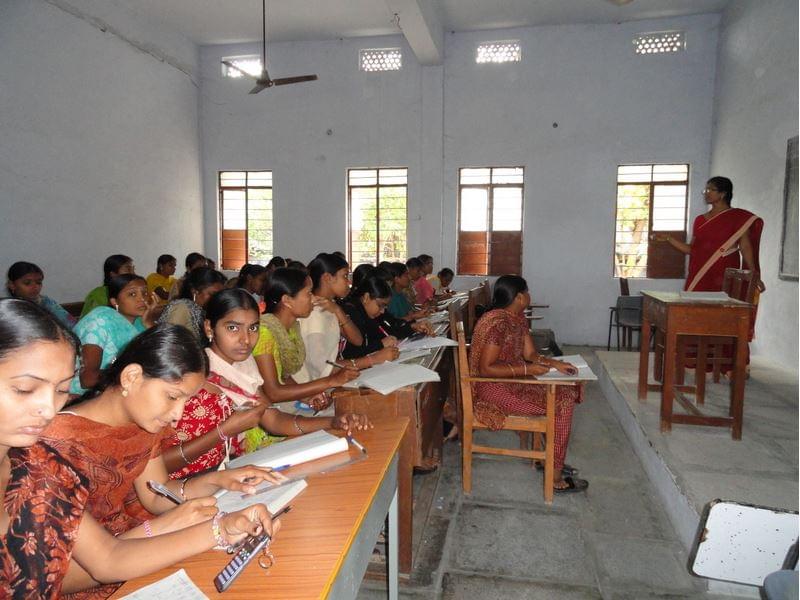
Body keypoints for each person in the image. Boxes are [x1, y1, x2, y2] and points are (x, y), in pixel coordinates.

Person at [0, 298, 278, 599]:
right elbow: (77, 570)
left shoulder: (40, 465)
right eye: (25, 389)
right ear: (131, 377)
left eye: (61, 390)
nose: (47, 409)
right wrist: (172, 528)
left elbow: (112, 551)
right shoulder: (52, 447)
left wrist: (221, 505)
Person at [164, 289, 372, 476]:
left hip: (225, 474)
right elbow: (159, 464)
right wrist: (224, 431)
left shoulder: (244, 365)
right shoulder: (190, 377)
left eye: (253, 328)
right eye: (233, 328)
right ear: (209, 328)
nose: (246, 339)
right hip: (185, 486)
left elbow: (273, 420)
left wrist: (333, 422)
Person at [469, 275, 587, 493]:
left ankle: (549, 458)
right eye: (527, 292)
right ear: (520, 297)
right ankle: (554, 475)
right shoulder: (497, 323)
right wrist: (527, 370)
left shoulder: (517, 318)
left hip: (512, 380)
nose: (530, 296)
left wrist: (554, 364)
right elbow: (486, 369)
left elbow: (530, 354)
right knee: (562, 403)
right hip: (491, 387)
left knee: (565, 389)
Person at [252, 268, 359, 429]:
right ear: (287, 300)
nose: (314, 299)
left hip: (283, 407)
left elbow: (283, 376)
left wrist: (308, 397)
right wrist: (331, 381)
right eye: (308, 293)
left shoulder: (292, 328)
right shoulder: (265, 333)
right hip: (266, 418)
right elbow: (273, 392)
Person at [653, 177, 764, 293]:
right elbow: (692, 249)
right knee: (695, 302)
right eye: (705, 190)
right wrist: (669, 238)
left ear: (723, 194)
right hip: (699, 272)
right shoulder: (700, 220)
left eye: (711, 190)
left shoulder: (737, 218)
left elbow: (745, 247)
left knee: (722, 303)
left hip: (724, 271)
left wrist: (753, 274)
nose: (706, 193)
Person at [295, 253, 382, 382]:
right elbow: (321, 367)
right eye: (345, 276)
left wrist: (338, 311)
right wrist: (371, 360)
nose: (349, 282)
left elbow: (357, 340)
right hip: (313, 385)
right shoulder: (313, 313)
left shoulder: (331, 306)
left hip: (327, 380)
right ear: (328, 278)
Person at [71, 274, 158, 395]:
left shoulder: (141, 323)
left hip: (120, 389)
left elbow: (158, 360)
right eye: (132, 294)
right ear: (114, 301)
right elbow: (88, 379)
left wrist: (148, 324)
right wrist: (133, 377)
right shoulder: (100, 321)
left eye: (145, 293)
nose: (142, 299)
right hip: (83, 395)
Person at [340, 274, 402, 361]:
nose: (382, 311)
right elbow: (349, 354)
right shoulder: (351, 313)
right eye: (380, 305)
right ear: (366, 297)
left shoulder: (367, 313)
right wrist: (381, 344)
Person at [158, 267, 227, 340]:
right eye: (212, 294)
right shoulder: (181, 307)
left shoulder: (202, 311)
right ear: (195, 291)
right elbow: (169, 341)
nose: (217, 298)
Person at [6, 261, 76, 328]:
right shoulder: (7, 309)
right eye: (27, 283)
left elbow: (71, 325)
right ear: (12, 285)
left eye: (38, 282)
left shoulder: (46, 302)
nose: (35, 287)